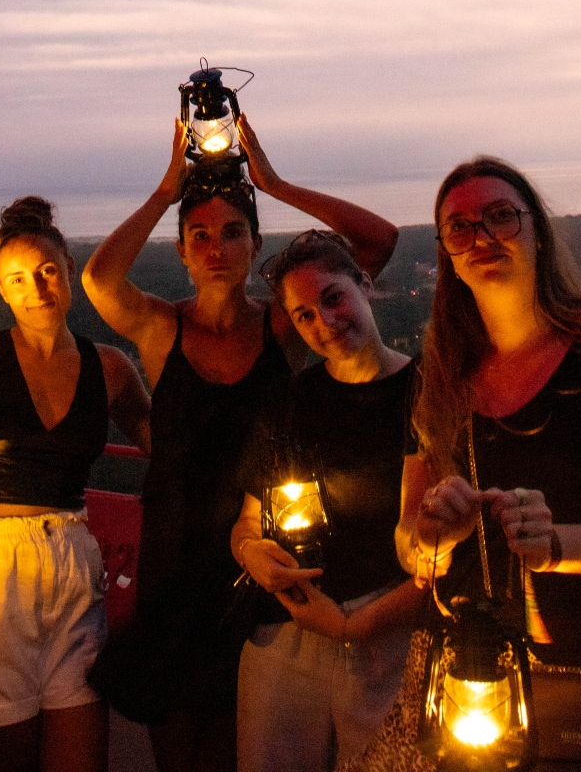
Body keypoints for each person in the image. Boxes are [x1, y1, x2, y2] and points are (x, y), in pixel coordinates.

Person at [347, 154, 581, 772]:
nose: (480, 237)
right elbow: (407, 541)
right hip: (455, 669)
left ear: (537, 229)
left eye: (500, 217)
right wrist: (433, 536)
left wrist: (555, 543)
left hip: (580, 662)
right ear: (448, 253)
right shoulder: (437, 375)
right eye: (460, 227)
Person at [82, 116, 399, 772]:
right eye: (198, 235)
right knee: (174, 729)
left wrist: (274, 182)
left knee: (242, 737)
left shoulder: (285, 324)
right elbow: (99, 283)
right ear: (181, 252)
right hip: (174, 551)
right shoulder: (161, 326)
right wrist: (165, 190)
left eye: (232, 232)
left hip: (266, 552)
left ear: (255, 245)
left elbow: (376, 242)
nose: (215, 247)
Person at [0, 195, 152, 772]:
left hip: (76, 565)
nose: (36, 287)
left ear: (69, 271)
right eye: (17, 278)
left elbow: (171, 450)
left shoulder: (109, 367)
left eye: (48, 270)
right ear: (0, 290)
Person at [230, 230, 423, 772]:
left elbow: (453, 548)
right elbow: (247, 521)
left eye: (333, 297)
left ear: (365, 285)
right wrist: (251, 554)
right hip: (288, 627)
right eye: (303, 315)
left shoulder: (429, 392)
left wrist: (353, 625)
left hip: (391, 630)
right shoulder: (287, 402)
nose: (324, 322)